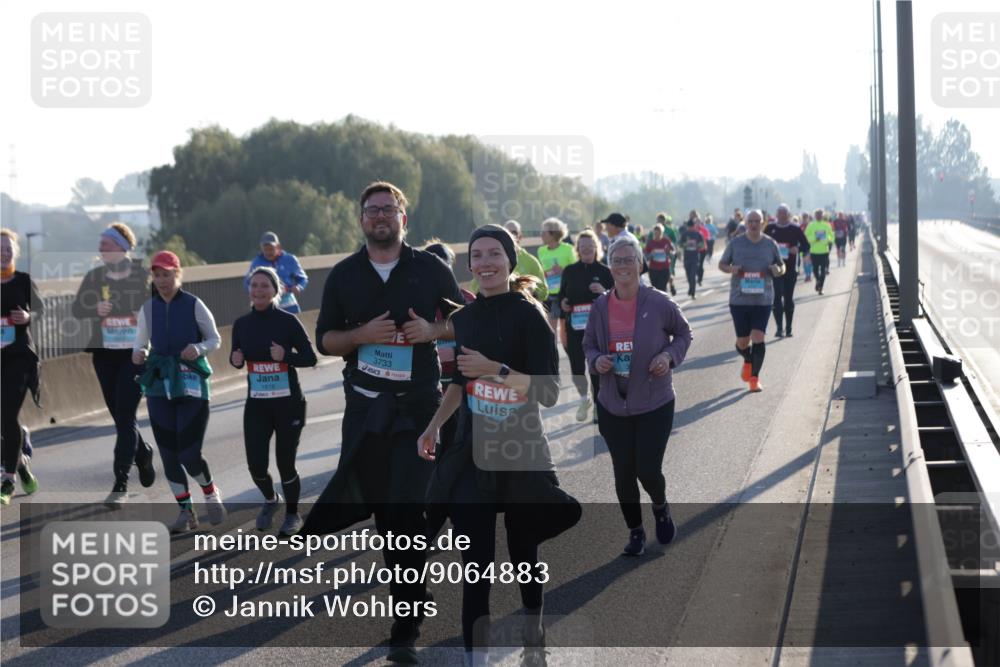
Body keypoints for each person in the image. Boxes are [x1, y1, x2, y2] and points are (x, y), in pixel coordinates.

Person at [301, 181, 463, 663]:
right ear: (361, 220)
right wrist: (361, 336)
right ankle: (413, 594)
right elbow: (324, 340)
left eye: (388, 209)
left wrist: (433, 329)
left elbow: (465, 322)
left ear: (402, 219)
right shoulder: (344, 275)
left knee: (406, 512)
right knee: (385, 516)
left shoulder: (430, 269)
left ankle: (404, 626)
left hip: (417, 409)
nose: (379, 216)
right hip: (367, 411)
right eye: (371, 210)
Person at [419, 224, 581, 665]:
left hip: (521, 451)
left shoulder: (530, 315)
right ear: (469, 265)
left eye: (494, 253)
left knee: (523, 552)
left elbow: (549, 391)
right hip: (472, 451)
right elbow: (460, 381)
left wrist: (496, 368)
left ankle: (534, 633)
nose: (486, 262)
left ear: (510, 260)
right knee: (476, 565)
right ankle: (477, 659)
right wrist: (433, 426)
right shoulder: (465, 318)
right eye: (478, 255)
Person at [583, 235, 692, 556]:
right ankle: (635, 532)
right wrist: (596, 360)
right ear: (609, 266)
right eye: (616, 260)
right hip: (612, 404)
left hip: (654, 402)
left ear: (640, 264)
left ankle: (660, 506)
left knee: (647, 469)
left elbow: (684, 333)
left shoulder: (658, 302)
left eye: (629, 260)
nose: (623, 266)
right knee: (623, 473)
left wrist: (668, 356)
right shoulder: (600, 306)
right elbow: (588, 344)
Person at [132, 250, 225, 532]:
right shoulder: (148, 309)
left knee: (188, 454)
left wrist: (198, 348)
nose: (162, 280)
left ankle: (210, 492)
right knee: (169, 454)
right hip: (160, 385)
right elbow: (140, 343)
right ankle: (187, 513)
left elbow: (215, 339)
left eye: (167, 274)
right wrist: (138, 353)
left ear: (177, 274)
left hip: (191, 382)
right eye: (157, 275)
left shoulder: (194, 304)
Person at [71, 222, 156, 507]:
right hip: (105, 356)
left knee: (125, 414)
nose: (101, 249)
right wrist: (94, 308)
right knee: (120, 417)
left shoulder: (142, 276)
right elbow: (77, 309)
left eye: (106, 245)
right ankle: (142, 453)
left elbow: (159, 308)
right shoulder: (95, 277)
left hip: (134, 356)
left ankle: (121, 483)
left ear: (121, 247)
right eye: (101, 245)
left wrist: (141, 314)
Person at [231, 266, 317, 536]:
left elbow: (310, 358)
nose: (258, 290)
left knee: (285, 463)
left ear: (274, 290)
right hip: (257, 405)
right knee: (256, 466)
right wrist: (235, 360)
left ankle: (292, 514)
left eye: (264, 285)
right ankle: (271, 499)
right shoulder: (241, 324)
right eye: (254, 285)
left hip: (288, 405)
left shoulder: (288, 322)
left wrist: (285, 356)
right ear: (249, 289)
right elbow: (236, 356)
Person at [422, 239, 476, 467]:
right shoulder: (415, 302)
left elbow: (480, 339)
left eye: (444, 265)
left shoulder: (467, 300)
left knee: (461, 444)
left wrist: (452, 350)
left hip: (461, 383)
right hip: (429, 386)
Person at [718, 209, 785, 393]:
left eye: (757, 221)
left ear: (763, 223)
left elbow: (782, 265)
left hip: (763, 299)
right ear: (746, 223)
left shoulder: (770, 244)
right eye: (751, 221)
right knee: (742, 342)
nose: (754, 224)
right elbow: (722, 264)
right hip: (739, 300)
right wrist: (731, 269)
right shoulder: (736, 243)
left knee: (758, 338)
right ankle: (748, 360)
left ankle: (754, 379)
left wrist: (778, 270)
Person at [1, 229, 41, 505]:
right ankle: (21, 463)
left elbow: (40, 310)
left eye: (8, 249)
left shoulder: (24, 280)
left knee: (6, 414)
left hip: (19, 357)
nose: (4, 253)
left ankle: (8, 480)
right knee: (3, 420)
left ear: (15, 252)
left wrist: (27, 316)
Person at [559, 229, 614, 422]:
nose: (587, 249)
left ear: (596, 248)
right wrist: (563, 303)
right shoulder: (569, 271)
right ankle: (584, 399)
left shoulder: (605, 271)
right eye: (583, 246)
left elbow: (616, 298)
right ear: (578, 249)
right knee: (576, 368)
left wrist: (603, 291)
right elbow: (561, 297)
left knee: (596, 367)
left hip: (598, 329)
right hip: (574, 328)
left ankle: (598, 404)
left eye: (590, 246)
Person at [468, 220, 547, 301]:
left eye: (495, 254)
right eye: (476, 255)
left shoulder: (531, 261)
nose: (485, 263)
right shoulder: (467, 311)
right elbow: (475, 286)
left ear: (520, 236)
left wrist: (529, 294)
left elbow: (543, 291)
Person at [764, 204, 810, 337]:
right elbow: (761, 244)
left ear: (789, 215)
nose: (782, 215)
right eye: (780, 213)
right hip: (775, 268)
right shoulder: (770, 228)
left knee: (788, 298)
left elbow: (806, 246)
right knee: (777, 297)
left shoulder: (795, 229)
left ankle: (789, 327)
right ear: (776, 215)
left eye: (785, 213)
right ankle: (779, 328)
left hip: (790, 268)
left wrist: (797, 249)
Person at [536, 217, 577, 347]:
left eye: (544, 232)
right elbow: (541, 272)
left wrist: (563, 270)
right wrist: (545, 273)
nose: (541, 235)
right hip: (549, 294)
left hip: (565, 294)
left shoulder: (569, 249)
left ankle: (571, 354)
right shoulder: (541, 251)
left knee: (566, 332)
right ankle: (554, 358)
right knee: (551, 331)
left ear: (553, 234)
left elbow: (577, 270)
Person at [245, 232, 308, 313]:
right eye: (265, 250)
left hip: (288, 302)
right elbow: (247, 283)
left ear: (278, 247)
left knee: (294, 320)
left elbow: (302, 278)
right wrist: (256, 294)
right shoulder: (256, 263)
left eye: (271, 249)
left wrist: (299, 287)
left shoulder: (290, 259)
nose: (268, 253)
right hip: (266, 304)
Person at [804, 209, 835, 295]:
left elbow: (831, 235)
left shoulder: (826, 225)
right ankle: (818, 280)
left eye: (820, 214)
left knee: (823, 270)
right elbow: (806, 237)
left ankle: (820, 287)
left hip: (824, 251)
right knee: (815, 269)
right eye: (817, 214)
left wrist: (829, 240)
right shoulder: (811, 225)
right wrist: (815, 239)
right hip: (814, 251)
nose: (819, 216)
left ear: (822, 215)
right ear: (815, 216)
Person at [678, 219, 706, 299]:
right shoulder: (684, 234)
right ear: (687, 227)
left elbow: (703, 245)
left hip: (695, 258)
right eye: (689, 227)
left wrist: (697, 245)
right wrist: (685, 244)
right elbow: (679, 244)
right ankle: (691, 287)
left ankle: (693, 293)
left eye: (692, 226)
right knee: (688, 275)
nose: (690, 228)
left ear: (694, 226)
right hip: (687, 258)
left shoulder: (698, 234)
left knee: (693, 275)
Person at [643, 224, 674, 294]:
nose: (657, 235)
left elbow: (673, 253)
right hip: (653, 269)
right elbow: (645, 257)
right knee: (655, 289)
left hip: (664, 268)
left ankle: (663, 300)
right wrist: (651, 254)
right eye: (655, 233)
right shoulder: (650, 243)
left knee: (662, 288)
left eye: (659, 233)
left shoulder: (666, 241)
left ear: (662, 233)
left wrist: (669, 252)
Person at [656, 212, 679, 295]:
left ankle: (671, 285)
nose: (658, 222)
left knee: (668, 271)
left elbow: (675, 241)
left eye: (659, 220)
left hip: (668, 254)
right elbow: (650, 241)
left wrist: (673, 249)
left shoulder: (669, 230)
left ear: (663, 221)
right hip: (657, 255)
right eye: (657, 220)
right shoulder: (655, 230)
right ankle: (663, 288)